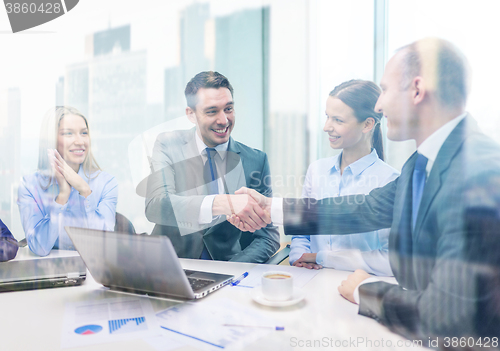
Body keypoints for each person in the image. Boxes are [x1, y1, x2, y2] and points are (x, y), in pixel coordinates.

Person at [230, 38, 500, 339]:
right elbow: (365, 208)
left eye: (384, 90)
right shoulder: (421, 164)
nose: (380, 105)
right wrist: (270, 209)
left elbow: (448, 316)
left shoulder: (477, 172)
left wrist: (364, 288)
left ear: (417, 90)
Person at [145, 71, 279, 262]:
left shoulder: (256, 160)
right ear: (191, 114)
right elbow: (156, 206)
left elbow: (268, 237)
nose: (223, 120)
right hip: (171, 267)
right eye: (212, 111)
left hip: (227, 271)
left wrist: (232, 272)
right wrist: (220, 203)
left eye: (228, 109)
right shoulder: (168, 145)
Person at [290, 80, 398, 276]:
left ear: (367, 124)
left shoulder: (390, 180)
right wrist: (300, 257)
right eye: (327, 117)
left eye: (338, 120)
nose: (326, 127)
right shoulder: (317, 170)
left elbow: (390, 257)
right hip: (309, 281)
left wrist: (321, 257)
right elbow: (301, 231)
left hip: (357, 287)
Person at [17, 106, 118, 257]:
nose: (80, 141)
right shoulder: (30, 186)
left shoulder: (106, 183)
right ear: (51, 140)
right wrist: (62, 195)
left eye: (84, 133)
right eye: (68, 133)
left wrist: (85, 190)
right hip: (51, 273)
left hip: (94, 274)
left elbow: (104, 246)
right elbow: (39, 247)